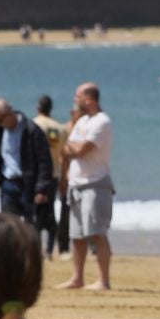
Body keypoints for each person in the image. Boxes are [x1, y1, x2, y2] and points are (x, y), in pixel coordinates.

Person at [59, 83, 114, 291]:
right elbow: (66, 148)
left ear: (89, 99)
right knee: (77, 235)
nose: (75, 100)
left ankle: (103, 280)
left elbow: (81, 149)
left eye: (78, 96)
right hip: (77, 184)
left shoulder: (102, 122)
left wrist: (74, 147)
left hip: (95, 183)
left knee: (97, 232)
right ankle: (77, 277)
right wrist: (73, 148)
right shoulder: (83, 121)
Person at [0, 98, 57, 234]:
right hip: (8, 184)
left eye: (0, 119)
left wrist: (42, 189)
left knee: (31, 227)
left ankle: (30, 254)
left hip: (28, 185)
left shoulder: (31, 130)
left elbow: (45, 161)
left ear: (9, 112)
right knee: (7, 226)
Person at [31, 95, 68, 257]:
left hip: (35, 176)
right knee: (50, 212)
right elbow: (64, 156)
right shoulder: (59, 128)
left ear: (38, 108)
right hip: (53, 175)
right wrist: (63, 178)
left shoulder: (32, 125)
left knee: (34, 214)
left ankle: (37, 248)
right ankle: (49, 248)